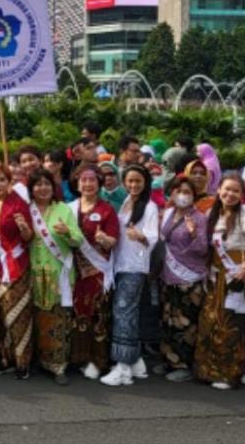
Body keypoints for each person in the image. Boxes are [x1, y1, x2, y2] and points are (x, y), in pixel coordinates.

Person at [194, 174, 245, 390]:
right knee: (209, 323)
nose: (230, 194)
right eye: (227, 189)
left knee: (230, 325)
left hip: (234, 277)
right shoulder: (211, 214)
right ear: (219, 190)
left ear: (241, 195)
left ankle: (226, 373)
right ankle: (206, 370)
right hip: (215, 276)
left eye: (235, 191)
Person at [101, 164, 160, 386]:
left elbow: (153, 237)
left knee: (124, 313)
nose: (133, 185)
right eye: (130, 181)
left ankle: (123, 367)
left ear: (145, 183)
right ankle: (135, 362)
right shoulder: (126, 203)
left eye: (138, 181)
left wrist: (141, 236)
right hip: (120, 265)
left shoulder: (150, 207)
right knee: (127, 312)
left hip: (134, 267)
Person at [26, 167, 82, 385]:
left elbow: (78, 240)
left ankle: (58, 365)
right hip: (34, 271)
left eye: (47, 184)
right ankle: (39, 361)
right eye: (38, 184)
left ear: (53, 186)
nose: (43, 188)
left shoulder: (63, 209)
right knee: (37, 318)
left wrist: (67, 233)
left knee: (58, 318)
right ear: (31, 189)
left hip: (59, 273)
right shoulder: (26, 210)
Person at [0, 163, 34, 379]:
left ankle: (22, 361)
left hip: (14, 265)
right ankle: (3, 358)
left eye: (3, 179)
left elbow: (29, 237)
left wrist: (24, 229)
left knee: (17, 313)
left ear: (9, 182)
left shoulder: (19, 205)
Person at [67, 164, 119, 380]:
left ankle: (98, 361)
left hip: (97, 272)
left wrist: (104, 240)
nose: (87, 184)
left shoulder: (106, 210)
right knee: (77, 315)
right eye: (83, 180)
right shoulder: (69, 208)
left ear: (98, 184)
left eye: (92, 180)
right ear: (77, 184)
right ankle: (78, 358)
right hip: (74, 271)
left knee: (97, 315)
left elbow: (113, 241)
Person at [157, 175, 209, 383]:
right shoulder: (168, 214)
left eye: (187, 192)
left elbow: (203, 249)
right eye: (178, 191)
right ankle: (169, 358)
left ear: (194, 196)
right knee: (168, 319)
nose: (182, 196)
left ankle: (184, 364)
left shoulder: (199, 218)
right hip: (168, 275)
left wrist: (194, 233)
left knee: (184, 322)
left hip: (189, 277)